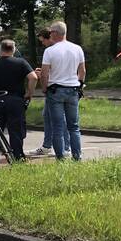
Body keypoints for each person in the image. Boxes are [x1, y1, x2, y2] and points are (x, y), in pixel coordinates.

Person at [0, 39, 37, 166]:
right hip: (16, 101)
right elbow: (33, 77)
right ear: (13, 49)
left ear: (0, 50)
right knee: (16, 131)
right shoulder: (21, 63)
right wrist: (29, 93)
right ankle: (18, 158)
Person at [40, 20, 85, 161]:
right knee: (74, 126)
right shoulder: (77, 48)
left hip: (55, 90)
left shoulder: (49, 51)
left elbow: (45, 73)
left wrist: (44, 88)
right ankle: (77, 156)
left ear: (54, 33)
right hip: (73, 90)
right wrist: (80, 84)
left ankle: (60, 158)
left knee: (57, 126)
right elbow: (82, 70)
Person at [28, 29, 69, 157]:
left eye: (43, 41)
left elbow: (60, 72)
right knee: (47, 115)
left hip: (57, 89)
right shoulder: (60, 49)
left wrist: (44, 78)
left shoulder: (52, 51)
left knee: (60, 119)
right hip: (60, 88)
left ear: (49, 37)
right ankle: (47, 146)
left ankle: (65, 148)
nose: (42, 44)